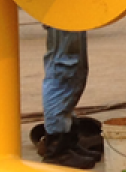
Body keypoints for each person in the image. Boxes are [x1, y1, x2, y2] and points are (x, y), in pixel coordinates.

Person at [40, 27, 100, 169]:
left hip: (70, 15)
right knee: (63, 69)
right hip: (59, 14)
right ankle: (57, 150)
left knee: (75, 68)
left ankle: (69, 141)